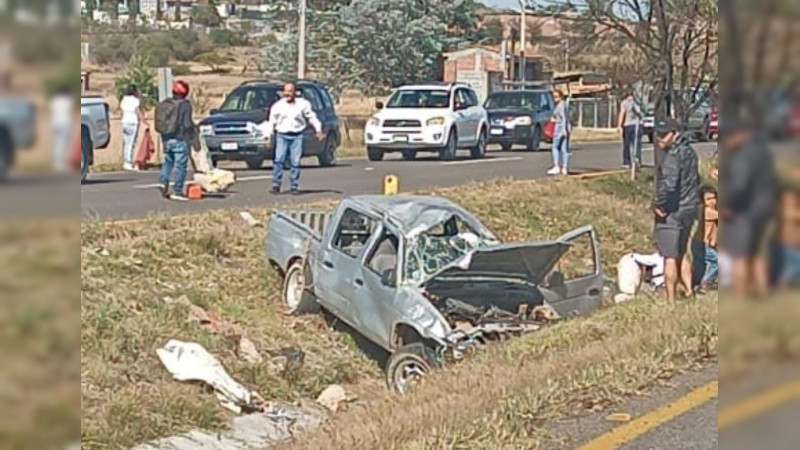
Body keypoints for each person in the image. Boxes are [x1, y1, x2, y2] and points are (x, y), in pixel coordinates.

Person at [719, 122, 777, 297]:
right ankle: (763, 290)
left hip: (744, 210)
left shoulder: (742, 156)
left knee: (740, 255)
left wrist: (728, 205)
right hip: (765, 207)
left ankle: (741, 294)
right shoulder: (763, 152)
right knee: (758, 252)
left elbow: (739, 185)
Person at [652, 119, 700, 302]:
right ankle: (689, 290)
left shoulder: (673, 155)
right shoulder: (691, 152)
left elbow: (669, 185)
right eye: (658, 134)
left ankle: (670, 299)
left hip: (672, 211)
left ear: (676, 133)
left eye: (664, 135)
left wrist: (658, 203)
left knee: (669, 256)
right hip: (689, 208)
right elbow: (695, 179)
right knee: (682, 251)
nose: (659, 139)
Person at [266, 82, 323, 195]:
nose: (287, 93)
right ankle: (276, 185)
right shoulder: (278, 106)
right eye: (285, 91)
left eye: (290, 91)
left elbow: (311, 117)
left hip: (297, 135)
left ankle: (294, 186)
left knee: (295, 162)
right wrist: (268, 137)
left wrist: (318, 129)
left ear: (295, 92)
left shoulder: (303, 104)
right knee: (279, 159)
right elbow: (271, 122)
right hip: (282, 135)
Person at [156, 80, 196, 201]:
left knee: (169, 161)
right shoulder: (184, 105)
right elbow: (187, 124)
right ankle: (177, 191)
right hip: (179, 138)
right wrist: (192, 133)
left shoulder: (165, 103)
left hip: (166, 138)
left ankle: (163, 181)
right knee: (180, 165)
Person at [693, 185, 719, 293]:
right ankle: (705, 283)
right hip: (701, 243)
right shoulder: (706, 211)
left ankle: (698, 283)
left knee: (702, 266)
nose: (712, 201)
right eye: (708, 199)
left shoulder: (712, 210)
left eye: (714, 198)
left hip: (703, 244)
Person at [120, 85, 149, 171]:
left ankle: (126, 161)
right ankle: (129, 162)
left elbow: (122, 111)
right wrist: (144, 121)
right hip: (133, 122)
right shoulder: (135, 100)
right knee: (131, 143)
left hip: (125, 122)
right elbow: (138, 112)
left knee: (126, 142)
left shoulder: (124, 99)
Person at [50, 86, 74, 172]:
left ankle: (57, 163)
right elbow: (70, 112)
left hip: (56, 123)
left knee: (57, 143)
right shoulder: (68, 101)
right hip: (65, 123)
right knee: (63, 144)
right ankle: (61, 164)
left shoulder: (55, 101)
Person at [618, 91, 643, 168]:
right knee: (636, 144)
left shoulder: (625, 103)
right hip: (637, 125)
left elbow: (622, 113)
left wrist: (619, 125)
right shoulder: (639, 102)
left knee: (627, 144)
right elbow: (641, 113)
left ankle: (627, 162)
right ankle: (637, 160)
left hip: (629, 125)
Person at [548, 89, 571, 176]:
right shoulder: (563, 105)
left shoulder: (561, 105)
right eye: (553, 97)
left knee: (555, 147)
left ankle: (557, 166)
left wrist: (564, 129)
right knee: (564, 149)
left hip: (560, 129)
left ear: (561, 96)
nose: (555, 98)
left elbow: (564, 117)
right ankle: (564, 168)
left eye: (556, 96)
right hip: (565, 128)